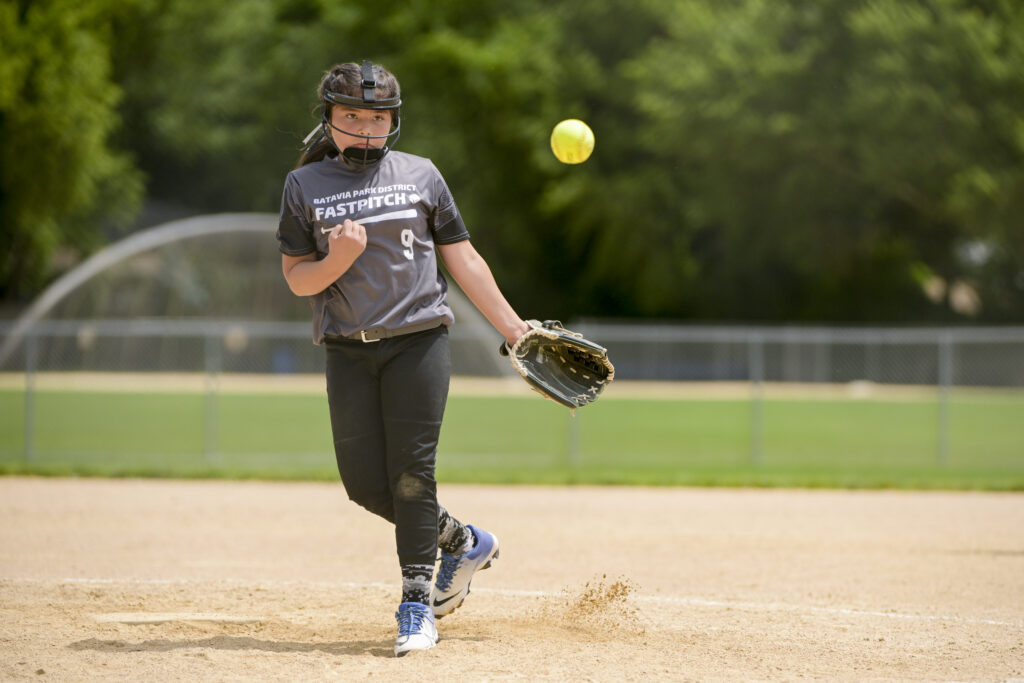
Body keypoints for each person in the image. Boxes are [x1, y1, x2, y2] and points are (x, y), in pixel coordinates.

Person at [276, 60, 530, 657]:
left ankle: (416, 605)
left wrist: (514, 329)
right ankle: (463, 541)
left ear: (394, 121)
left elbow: (463, 260)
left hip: (419, 340)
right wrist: (336, 260)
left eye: (377, 117)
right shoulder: (303, 186)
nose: (365, 128)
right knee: (365, 486)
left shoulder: (422, 174)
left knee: (413, 475)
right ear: (330, 120)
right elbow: (296, 279)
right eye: (351, 117)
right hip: (347, 350)